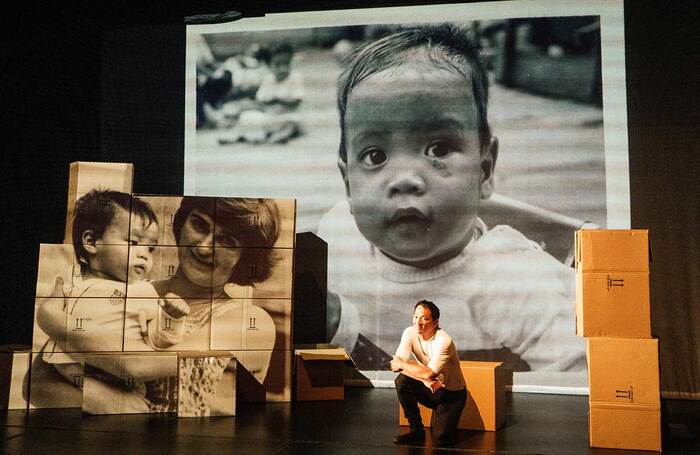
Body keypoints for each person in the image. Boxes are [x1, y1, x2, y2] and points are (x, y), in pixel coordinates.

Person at [316, 24, 585, 373]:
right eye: (375, 156)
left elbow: (582, 387)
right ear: (348, 184)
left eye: (438, 148)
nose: (405, 180)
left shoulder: (513, 282)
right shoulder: (335, 238)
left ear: (484, 171)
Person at [391, 300, 466, 446]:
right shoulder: (409, 332)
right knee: (402, 381)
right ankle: (416, 429)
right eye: (416, 317)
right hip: (430, 388)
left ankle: (445, 416)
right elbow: (396, 364)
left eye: (424, 318)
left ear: (435, 322)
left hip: (451, 395)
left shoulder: (444, 340)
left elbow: (427, 373)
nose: (418, 323)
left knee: (441, 437)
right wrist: (424, 379)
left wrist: (423, 375)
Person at [218, 42, 304, 144]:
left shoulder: (294, 77)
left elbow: (297, 101)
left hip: (287, 114)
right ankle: (236, 136)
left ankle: (280, 136)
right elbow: (261, 100)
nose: (282, 69)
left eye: (285, 64)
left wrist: (278, 100)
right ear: (271, 65)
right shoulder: (269, 79)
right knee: (248, 117)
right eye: (277, 65)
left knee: (293, 122)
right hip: (269, 116)